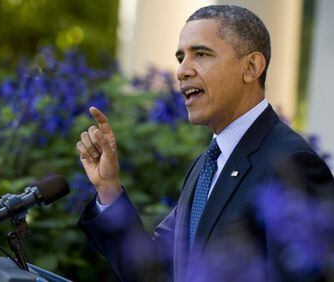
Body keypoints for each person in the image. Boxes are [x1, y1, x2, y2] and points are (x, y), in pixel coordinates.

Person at [76, 5, 334, 282]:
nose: (182, 71)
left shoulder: (290, 162)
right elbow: (154, 270)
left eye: (201, 54)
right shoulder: (206, 165)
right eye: (180, 57)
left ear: (251, 67)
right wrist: (109, 189)